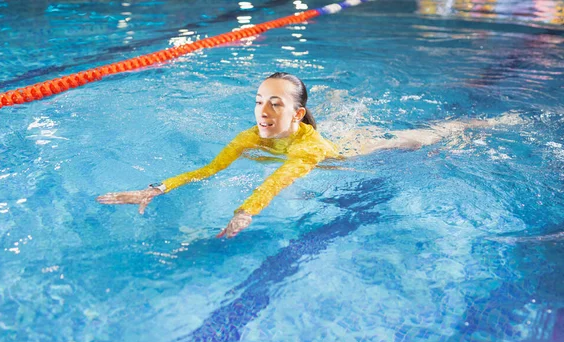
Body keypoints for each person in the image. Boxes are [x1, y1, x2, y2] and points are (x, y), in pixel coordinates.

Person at [97, 72, 520, 238]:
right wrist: (156, 188)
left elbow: (277, 181)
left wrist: (244, 214)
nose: (263, 109)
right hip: (315, 138)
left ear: (297, 113)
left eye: (275, 103)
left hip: (353, 155)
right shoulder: (250, 136)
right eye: (259, 99)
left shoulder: (310, 146)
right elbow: (210, 168)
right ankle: (338, 100)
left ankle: (478, 124)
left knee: (419, 139)